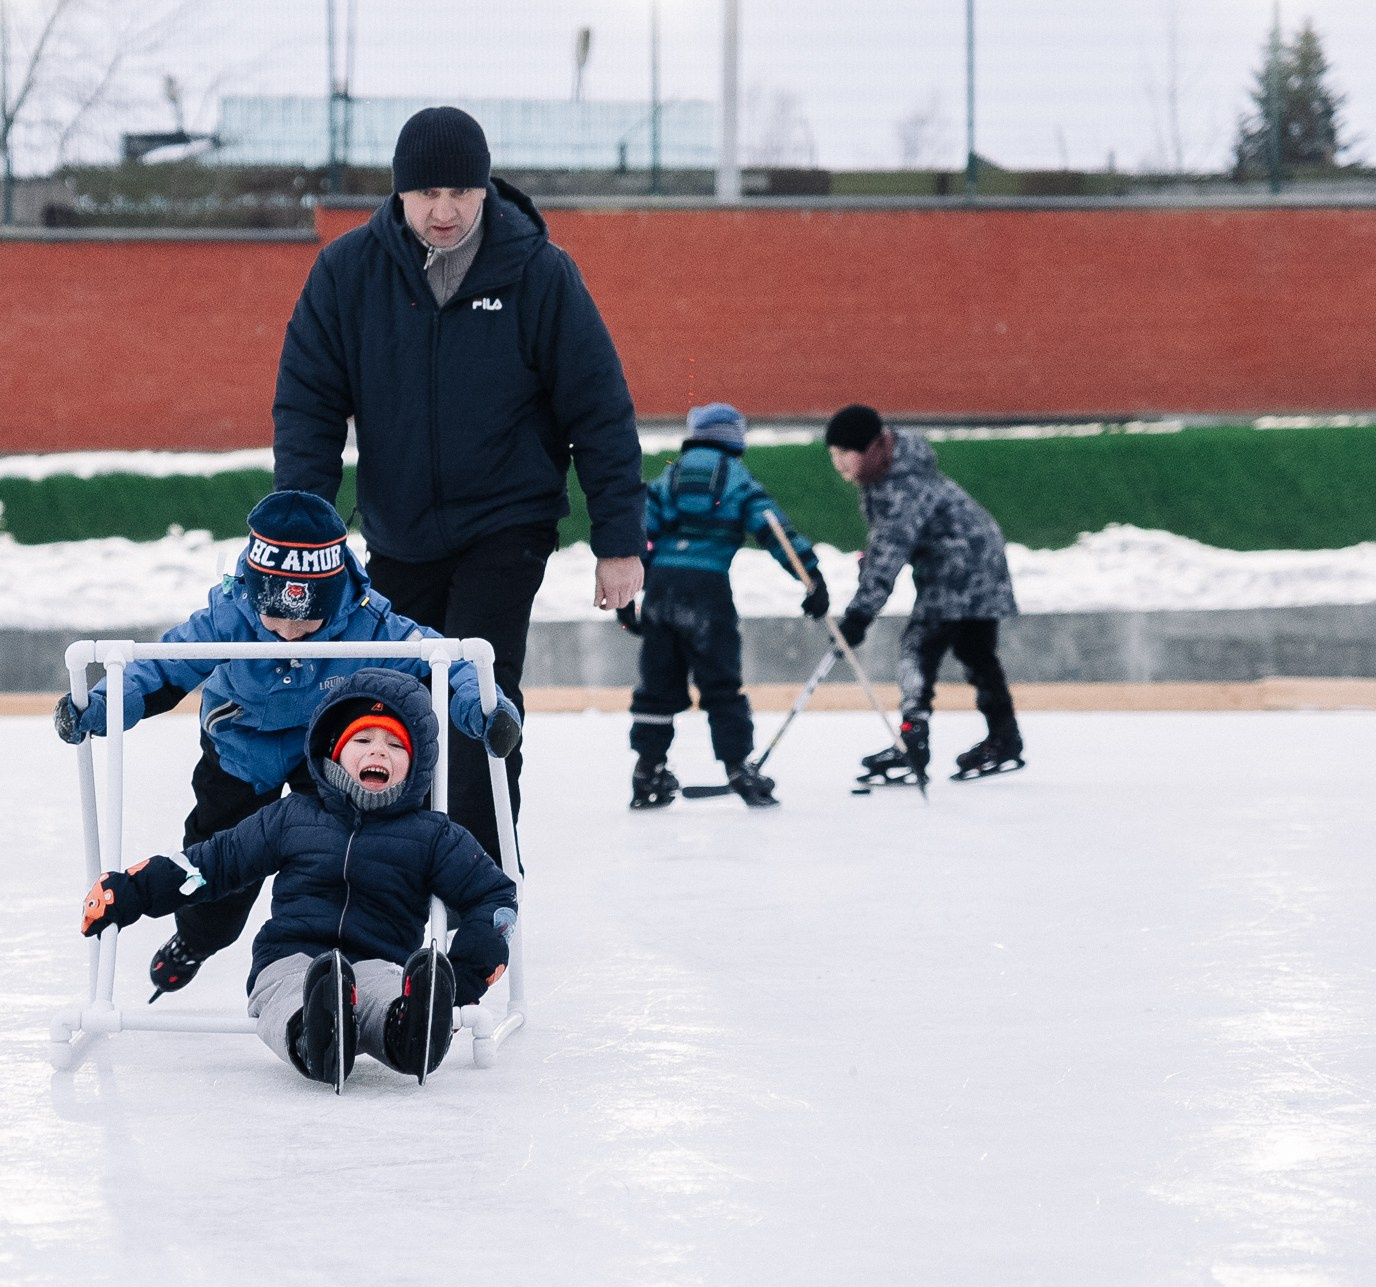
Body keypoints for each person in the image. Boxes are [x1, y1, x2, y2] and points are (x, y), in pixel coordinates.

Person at [272, 104, 647, 867]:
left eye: (460, 193)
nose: (443, 211)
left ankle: (481, 880)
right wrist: (301, 546)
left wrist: (618, 542)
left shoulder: (539, 273)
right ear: (399, 193)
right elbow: (308, 409)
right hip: (400, 529)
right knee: (391, 699)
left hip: (506, 524)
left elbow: (599, 408)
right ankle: (394, 869)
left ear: (485, 189)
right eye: (426, 194)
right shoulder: (348, 273)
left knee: (476, 689)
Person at [53, 489, 520, 1001]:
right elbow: (158, 669)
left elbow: (447, 662)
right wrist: (100, 706)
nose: (290, 632)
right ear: (252, 593)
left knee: (330, 856)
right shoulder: (228, 617)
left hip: (324, 760)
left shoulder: (370, 622)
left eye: (306, 621)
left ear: (336, 597)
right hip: (238, 754)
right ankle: (197, 939)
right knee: (219, 863)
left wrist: (484, 709)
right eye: (275, 618)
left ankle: (342, 964)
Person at [76, 669, 519, 1089]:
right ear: (334, 750)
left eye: (395, 745)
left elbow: (494, 896)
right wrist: (131, 890)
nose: (379, 752)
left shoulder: (433, 835)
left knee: (383, 994)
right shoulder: (292, 817)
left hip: (380, 960)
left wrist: (463, 979)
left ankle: (410, 1032)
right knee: (288, 992)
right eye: (362, 739)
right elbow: (214, 863)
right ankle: (314, 1034)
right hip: (289, 956)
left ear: (417, 763)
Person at [620, 403, 830, 810]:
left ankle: (647, 770)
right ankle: (738, 768)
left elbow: (640, 532)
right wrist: (811, 576)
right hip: (707, 590)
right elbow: (773, 529)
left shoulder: (670, 477)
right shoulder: (736, 478)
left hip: (661, 589)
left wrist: (627, 596)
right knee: (720, 683)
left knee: (657, 686)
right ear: (734, 438)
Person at [823, 404, 1024, 784]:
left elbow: (891, 550)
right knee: (975, 651)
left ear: (872, 449)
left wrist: (860, 615)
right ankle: (1004, 737)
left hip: (961, 564)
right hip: (979, 559)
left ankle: (913, 741)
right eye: (834, 454)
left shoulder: (902, 485)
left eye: (845, 452)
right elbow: (886, 547)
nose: (839, 463)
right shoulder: (890, 474)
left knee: (918, 648)